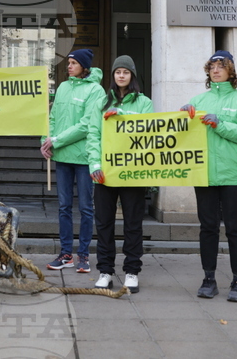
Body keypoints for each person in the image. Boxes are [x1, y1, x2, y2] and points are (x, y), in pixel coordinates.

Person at [181, 50, 237, 303]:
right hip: (204, 174)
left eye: (221, 66)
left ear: (231, 71)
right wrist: (181, 118)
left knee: (235, 228)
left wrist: (221, 124)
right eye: (212, 66)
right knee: (208, 228)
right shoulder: (197, 100)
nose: (216, 70)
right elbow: (182, 137)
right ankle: (209, 279)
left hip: (234, 175)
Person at [87, 55, 153, 294]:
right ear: (113, 76)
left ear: (132, 75)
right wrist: (94, 164)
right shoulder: (101, 103)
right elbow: (93, 135)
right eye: (118, 72)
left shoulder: (144, 103)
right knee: (104, 224)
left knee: (133, 225)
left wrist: (122, 116)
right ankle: (105, 271)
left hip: (133, 173)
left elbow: (149, 129)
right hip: (105, 173)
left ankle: (132, 271)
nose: (121, 75)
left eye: (126, 72)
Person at [40, 49, 106, 274]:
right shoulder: (63, 87)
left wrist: (57, 140)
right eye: (68, 62)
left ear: (84, 66)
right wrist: (45, 140)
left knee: (86, 208)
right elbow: (52, 117)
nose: (68, 66)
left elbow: (88, 124)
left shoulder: (96, 90)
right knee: (63, 207)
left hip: (84, 156)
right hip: (62, 157)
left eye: (73, 63)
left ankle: (84, 255)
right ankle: (66, 254)